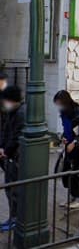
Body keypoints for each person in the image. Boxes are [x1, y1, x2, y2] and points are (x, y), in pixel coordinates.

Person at [0, 86, 24, 231]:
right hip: (9, 155)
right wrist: (2, 147)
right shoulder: (12, 111)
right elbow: (5, 130)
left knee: (13, 189)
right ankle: (13, 217)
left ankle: (15, 218)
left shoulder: (21, 113)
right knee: (10, 188)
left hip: (15, 158)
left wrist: (6, 151)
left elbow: (15, 135)